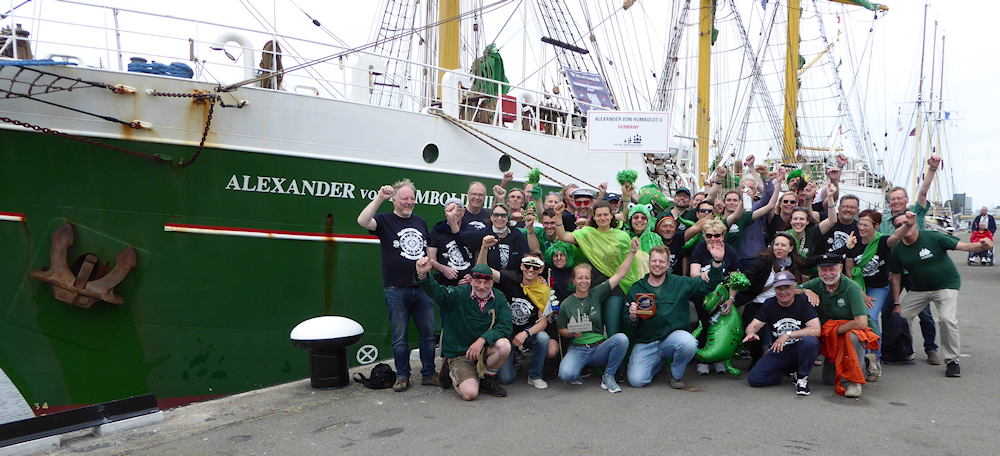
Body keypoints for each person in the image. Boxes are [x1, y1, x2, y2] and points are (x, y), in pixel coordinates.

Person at [889, 213, 994, 378]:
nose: (904, 226)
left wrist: (983, 246)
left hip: (946, 284)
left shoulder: (933, 237)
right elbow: (895, 277)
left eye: (906, 222)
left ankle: (952, 361)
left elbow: (965, 247)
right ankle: (906, 351)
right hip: (920, 288)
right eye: (899, 225)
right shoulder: (897, 250)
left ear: (914, 223)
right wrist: (896, 303)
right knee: (899, 317)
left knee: (946, 319)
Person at [357, 179, 438, 391]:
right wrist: (379, 198)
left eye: (412, 198)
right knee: (399, 337)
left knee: (429, 334)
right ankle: (402, 376)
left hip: (422, 287)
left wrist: (428, 264)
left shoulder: (420, 221)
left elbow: (426, 250)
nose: (409, 202)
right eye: (404, 198)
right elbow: (363, 220)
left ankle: (429, 373)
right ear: (394, 200)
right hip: (396, 288)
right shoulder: (384, 220)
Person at [624, 243, 728, 389]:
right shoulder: (637, 288)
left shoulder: (680, 282)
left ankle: (674, 373)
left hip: (672, 340)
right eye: (654, 261)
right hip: (647, 341)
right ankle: (658, 363)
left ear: (668, 264)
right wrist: (632, 316)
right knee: (637, 381)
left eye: (661, 261)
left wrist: (716, 262)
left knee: (689, 342)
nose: (657, 264)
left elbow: (709, 286)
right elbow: (627, 321)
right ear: (649, 263)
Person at [414, 261, 512, 400]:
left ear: (492, 283)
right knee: (470, 393)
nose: (482, 287)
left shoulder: (499, 297)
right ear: (470, 280)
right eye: (478, 282)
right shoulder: (458, 294)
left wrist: (482, 340)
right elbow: (438, 292)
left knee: (504, 345)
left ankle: (486, 379)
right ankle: (449, 367)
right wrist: (423, 274)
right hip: (460, 352)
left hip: (483, 349)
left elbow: (506, 325)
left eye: (486, 283)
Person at [879, 153, 942, 364]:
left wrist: (931, 169)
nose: (896, 201)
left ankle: (931, 348)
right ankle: (894, 349)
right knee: (888, 312)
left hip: (916, 272)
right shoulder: (884, 222)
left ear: (906, 200)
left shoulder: (916, 214)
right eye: (892, 198)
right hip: (893, 272)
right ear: (888, 201)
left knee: (924, 313)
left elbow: (923, 191)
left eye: (900, 198)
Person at [557, 238, 639, 393]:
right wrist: (570, 333)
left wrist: (632, 252)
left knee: (621, 339)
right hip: (578, 348)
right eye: (580, 278)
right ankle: (579, 369)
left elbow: (620, 274)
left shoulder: (597, 293)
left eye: (587, 278)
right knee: (566, 375)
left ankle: (608, 376)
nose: (584, 281)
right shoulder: (566, 303)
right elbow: (560, 328)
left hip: (599, 348)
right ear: (573, 281)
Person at [799, 253, 880, 398]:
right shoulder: (816, 283)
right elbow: (793, 290)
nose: (828, 274)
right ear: (818, 270)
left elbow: (861, 322)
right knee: (829, 380)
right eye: (823, 270)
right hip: (833, 334)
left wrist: (834, 330)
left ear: (840, 268)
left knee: (853, 337)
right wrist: (806, 291)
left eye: (832, 269)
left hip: (853, 331)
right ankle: (867, 362)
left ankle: (855, 382)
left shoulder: (852, 287)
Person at [553, 200, 637, 337]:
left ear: (611, 216)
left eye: (605, 214)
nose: (602, 218)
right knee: (590, 330)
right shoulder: (587, 233)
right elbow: (562, 236)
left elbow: (630, 265)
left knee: (612, 330)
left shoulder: (623, 236)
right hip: (592, 287)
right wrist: (558, 215)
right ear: (594, 217)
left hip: (615, 287)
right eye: (599, 215)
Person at [480, 251, 559, 389]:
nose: (531, 270)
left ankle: (534, 376)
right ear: (522, 266)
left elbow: (543, 322)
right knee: (506, 379)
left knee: (543, 338)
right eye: (528, 265)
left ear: (541, 269)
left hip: (526, 331)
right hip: (506, 332)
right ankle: (505, 361)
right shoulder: (510, 278)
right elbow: (482, 268)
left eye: (535, 267)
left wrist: (526, 333)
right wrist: (484, 247)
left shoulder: (543, 290)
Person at [843, 210, 914, 362]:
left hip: (878, 287)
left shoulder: (883, 242)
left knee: (872, 317)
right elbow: (849, 271)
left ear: (876, 226)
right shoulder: (853, 242)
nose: (861, 228)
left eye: (865, 225)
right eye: (860, 224)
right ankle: (855, 355)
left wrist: (908, 224)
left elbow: (896, 237)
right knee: (853, 318)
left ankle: (875, 357)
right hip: (857, 285)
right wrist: (860, 293)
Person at [734, 232, 807, 368]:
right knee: (756, 334)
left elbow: (815, 262)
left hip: (781, 303)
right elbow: (746, 276)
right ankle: (756, 359)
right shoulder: (763, 261)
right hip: (757, 302)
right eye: (776, 244)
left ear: (790, 248)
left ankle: (786, 361)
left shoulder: (795, 263)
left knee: (785, 328)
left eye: (783, 245)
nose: (779, 248)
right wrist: (734, 290)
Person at [744, 271, 821, 395]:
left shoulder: (802, 302)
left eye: (787, 288)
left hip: (799, 347)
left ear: (794, 287)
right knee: (755, 379)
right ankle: (786, 371)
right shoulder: (769, 303)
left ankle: (802, 378)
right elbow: (753, 325)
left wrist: (788, 335)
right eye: (779, 288)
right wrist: (750, 333)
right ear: (774, 289)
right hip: (779, 350)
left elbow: (816, 329)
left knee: (810, 341)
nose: (783, 292)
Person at [737, 158, 782, 270]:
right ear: (739, 190)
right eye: (744, 188)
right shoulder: (731, 207)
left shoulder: (757, 205)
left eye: (751, 188)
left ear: (756, 192)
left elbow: (769, 197)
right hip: (736, 257)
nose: (747, 190)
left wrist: (766, 177)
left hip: (755, 255)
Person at [427, 198, 475, 287]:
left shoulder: (472, 230)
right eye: (451, 210)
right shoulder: (437, 231)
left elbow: (478, 257)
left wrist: (472, 276)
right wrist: (443, 269)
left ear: (463, 212)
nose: (454, 213)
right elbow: (431, 259)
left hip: (468, 285)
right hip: (445, 285)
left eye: (458, 210)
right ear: (445, 212)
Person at [469, 203, 529, 272]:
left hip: (512, 278)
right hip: (488, 279)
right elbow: (462, 239)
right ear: (491, 217)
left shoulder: (516, 234)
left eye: (503, 215)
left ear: (507, 218)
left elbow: (526, 256)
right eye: (496, 215)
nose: (499, 218)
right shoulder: (483, 233)